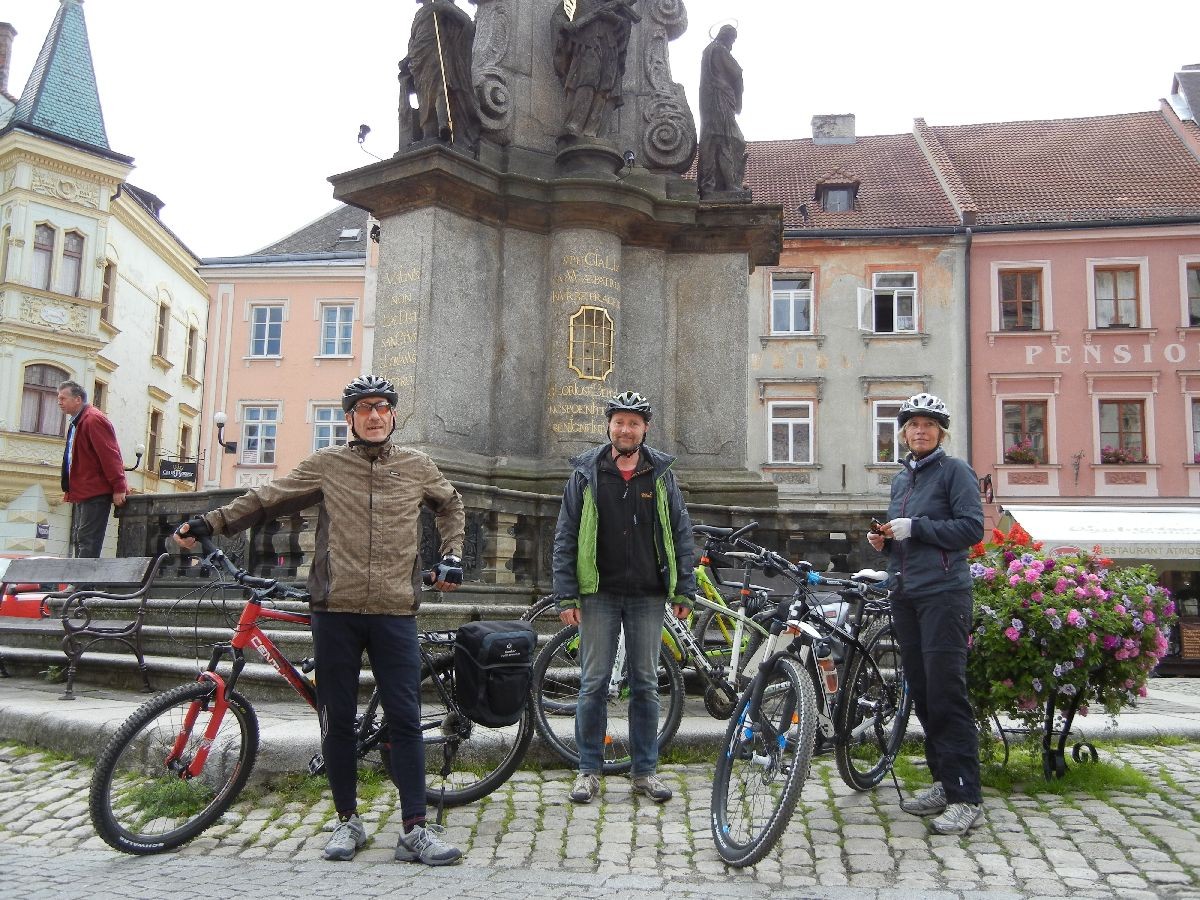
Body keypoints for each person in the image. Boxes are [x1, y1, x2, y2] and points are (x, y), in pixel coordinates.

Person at [173, 375, 466, 866]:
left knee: (405, 719)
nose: (374, 415)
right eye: (363, 408)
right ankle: (347, 820)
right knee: (336, 720)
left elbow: (451, 504)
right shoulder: (329, 464)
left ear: (393, 415)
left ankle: (415, 828)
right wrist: (211, 523)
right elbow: (268, 496)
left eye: (383, 407)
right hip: (335, 609)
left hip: (395, 609)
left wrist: (453, 556)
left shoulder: (417, 466)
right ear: (349, 418)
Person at [552, 390, 696, 804]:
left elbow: (681, 534)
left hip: (648, 595)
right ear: (609, 426)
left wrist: (683, 587)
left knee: (647, 685)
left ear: (645, 428)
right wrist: (566, 595)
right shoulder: (586, 473)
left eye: (634, 422)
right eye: (619, 421)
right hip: (597, 592)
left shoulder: (661, 474)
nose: (626, 429)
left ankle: (644, 772)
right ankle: (588, 770)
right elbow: (564, 536)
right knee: (594, 684)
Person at [867, 392, 985, 835]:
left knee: (947, 692)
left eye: (929, 425)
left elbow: (971, 528)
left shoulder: (955, 471)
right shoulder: (902, 480)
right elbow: (908, 539)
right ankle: (942, 780)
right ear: (903, 433)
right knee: (920, 691)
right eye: (913, 425)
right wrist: (887, 541)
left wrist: (916, 528)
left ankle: (965, 796)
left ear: (941, 433)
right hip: (906, 592)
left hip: (944, 594)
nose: (920, 431)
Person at [57, 381, 128, 558]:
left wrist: (119, 487)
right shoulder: (79, 421)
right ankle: (78, 583)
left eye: (63, 398)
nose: (59, 402)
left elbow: (110, 455)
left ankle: (82, 584)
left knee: (86, 539)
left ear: (78, 399)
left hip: (94, 492)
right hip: (84, 491)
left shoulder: (92, 419)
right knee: (80, 538)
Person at [552, 0, 637, 139]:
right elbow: (559, 18)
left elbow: (625, 26)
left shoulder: (618, 5)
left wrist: (614, 18)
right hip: (586, 44)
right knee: (586, 80)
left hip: (610, 47)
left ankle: (593, 129)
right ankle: (575, 123)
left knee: (605, 88)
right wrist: (567, 26)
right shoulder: (574, 1)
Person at [402, 0, 481, 151]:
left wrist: (445, 9)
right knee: (424, 97)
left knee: (440, 89)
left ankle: (444, 125)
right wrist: (407, 59)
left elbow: (467, 24)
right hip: (420, 61)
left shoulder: (443, 6)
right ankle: (428, 134)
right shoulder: (419, 14)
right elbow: (413, 41)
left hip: (439, 56)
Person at [698, 24, 747, 197]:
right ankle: (728, 185)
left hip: (712, 103)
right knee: (729, 140)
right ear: (726, 36)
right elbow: (737, 73)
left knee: (715, 142)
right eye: (732, 39)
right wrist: (738, 100)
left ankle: (711, 185)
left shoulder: (709, 50)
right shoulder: (719, 50)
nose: (732, 44)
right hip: (719, 101)